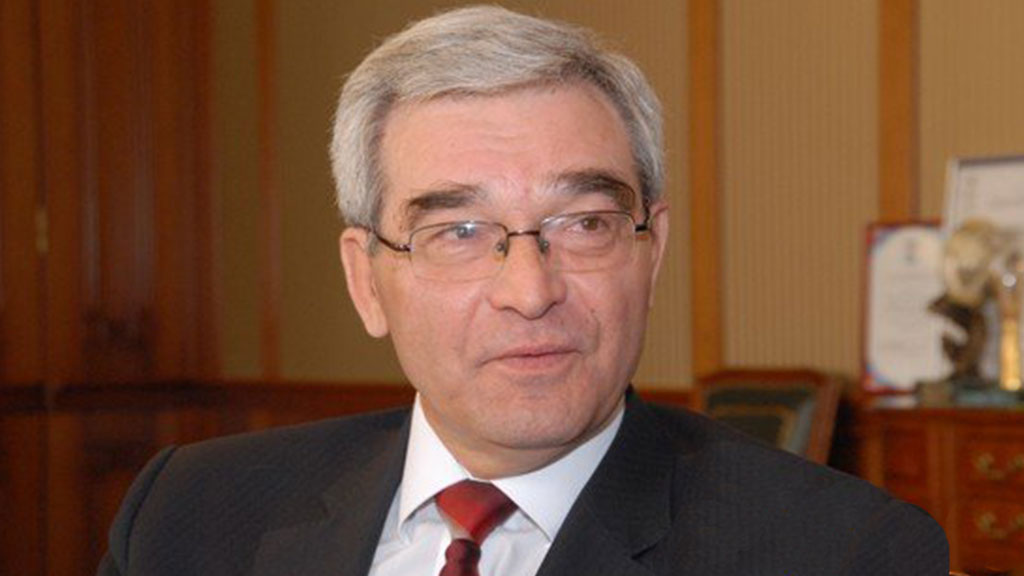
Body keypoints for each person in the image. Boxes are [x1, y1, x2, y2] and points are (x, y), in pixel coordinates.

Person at [98, 5, 948, 575]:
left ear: (651, 254)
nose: (531, 290)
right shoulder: (189, 513)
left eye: (584, 223)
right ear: (367, 280)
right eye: (459, 232)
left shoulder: (843, 552)